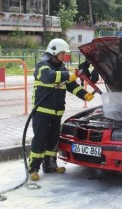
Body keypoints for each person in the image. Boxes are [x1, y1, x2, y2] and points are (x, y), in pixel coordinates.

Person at [29, 38, 95, 181]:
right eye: (62, 53)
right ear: (54, 52)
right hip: (42, 112)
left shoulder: (62, 68)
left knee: (53, 140)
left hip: (57, 113)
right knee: (40, 140)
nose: (64, 56)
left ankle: (50, 165)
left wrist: (85, 95)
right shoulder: (42, 66)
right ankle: (34, 169)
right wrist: (69, 75)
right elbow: (49, 77)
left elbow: (72, 86)